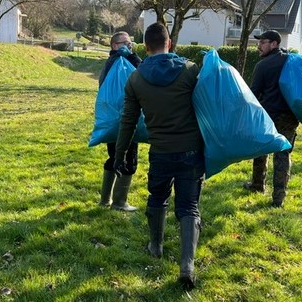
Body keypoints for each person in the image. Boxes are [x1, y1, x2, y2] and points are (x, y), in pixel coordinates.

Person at [113, 22, 204, 290]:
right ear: (170, 43)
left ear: (145, 47)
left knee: (157, 197)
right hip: (191, 150)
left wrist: (119, 155)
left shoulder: (136, 79)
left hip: (160, 151)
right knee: (189, 207)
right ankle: (187, 265)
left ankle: (156, 246)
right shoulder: (190, 71)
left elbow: (127, 121)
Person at [243, 30, 299, 208]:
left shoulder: (263, 65)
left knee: (261, 150)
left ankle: (258, 185)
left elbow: (253, 94)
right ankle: (278, 198)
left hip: (268, 116)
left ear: (274, 43)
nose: (258, 46)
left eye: (263, 42)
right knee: (282, 155)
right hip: (290, 117)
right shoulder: (292, 61)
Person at [98, 31, 142, 211]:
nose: (129, 46)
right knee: (128, 158)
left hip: (110, 121)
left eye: (131, 44)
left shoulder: (109, 63)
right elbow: (142, 70)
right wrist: (132, 56)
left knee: (113, 156)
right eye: (125, 43)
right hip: (125, 120)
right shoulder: (121, 62)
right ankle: (119, 202)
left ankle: (105, 200)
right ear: (114, 46)